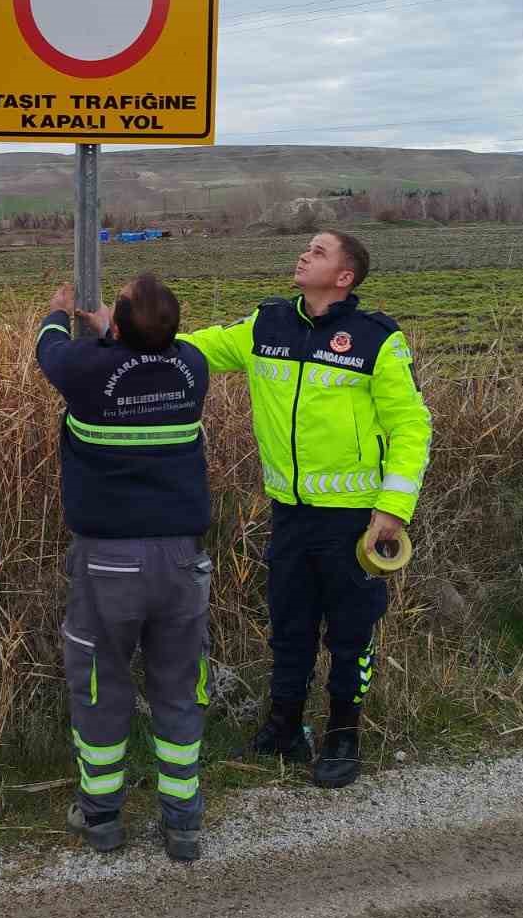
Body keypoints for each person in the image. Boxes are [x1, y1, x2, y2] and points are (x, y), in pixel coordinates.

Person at [179, 232, 431, 789]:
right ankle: (285, 726)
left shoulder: (376, 340)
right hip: (288, 510)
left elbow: (411, 426)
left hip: (353, 518)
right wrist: (127, 333)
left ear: (345, 277)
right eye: (306, 249)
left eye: (318, 252)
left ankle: (344, 736)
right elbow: (197, 347)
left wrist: (393, 508)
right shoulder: (266, 324)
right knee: (289, 625)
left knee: (350, 630)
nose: (303, 255)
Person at [36, 273, 212, 861]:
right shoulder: (191, 367)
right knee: (179, 684)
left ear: (119, 324)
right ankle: (183, 822)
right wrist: (114, 329)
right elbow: (141, 352)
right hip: (181, 559)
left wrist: (60, 313)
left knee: (99, 682)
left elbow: (51, 351)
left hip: (108, 560)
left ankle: (101, 816)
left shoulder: (85, 370)